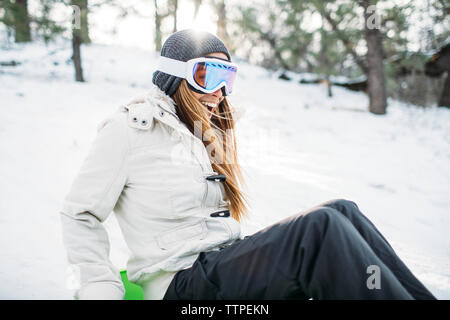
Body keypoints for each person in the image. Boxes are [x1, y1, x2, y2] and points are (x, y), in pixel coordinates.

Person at [59, 29, 436, 300]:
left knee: (341, 210)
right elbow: (80, 213)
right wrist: (99, 291)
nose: (220, 91)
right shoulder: (129, 129)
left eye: (228, 78)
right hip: (180, 285)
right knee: (319, 230)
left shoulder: (203, 134)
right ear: (176, 75)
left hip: (220, 266)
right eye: (208, 75)